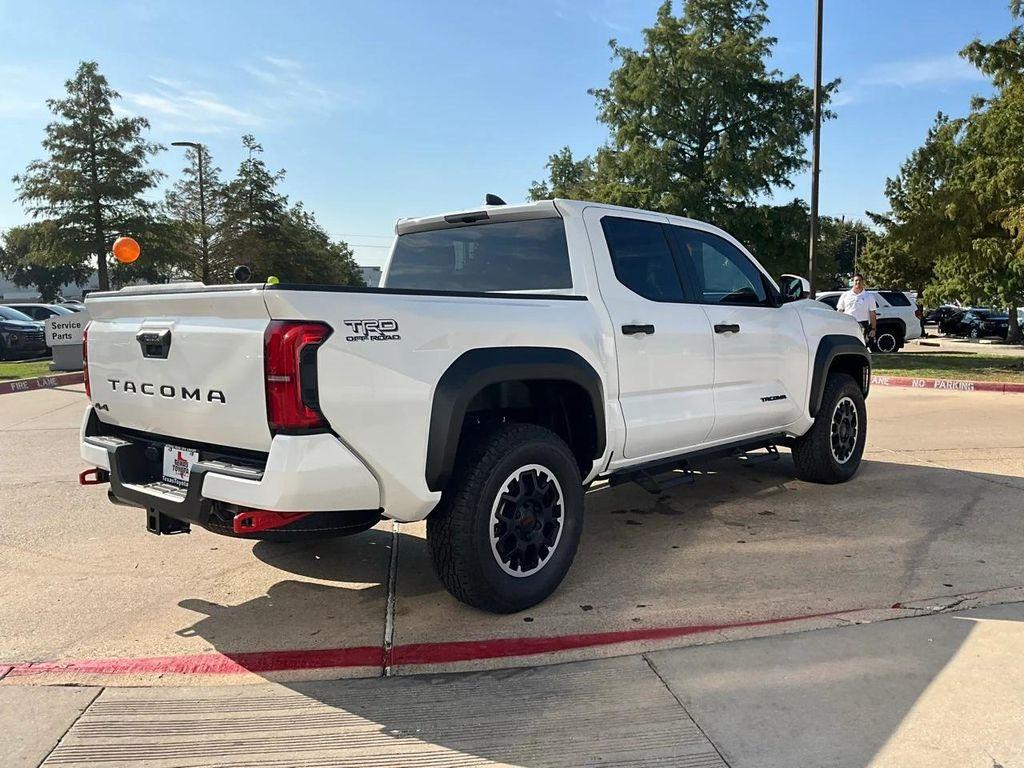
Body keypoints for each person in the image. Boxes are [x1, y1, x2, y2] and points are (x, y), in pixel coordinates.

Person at [836, 274, 877, 343]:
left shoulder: (869, 296)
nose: (858, 282)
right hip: (848, 323)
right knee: (847, 343)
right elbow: (840, 311)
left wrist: (873, 329)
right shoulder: (845, 295)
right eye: (856, 280)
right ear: (853, 282)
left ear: (862, 282)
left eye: (860, 280)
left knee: (861, 344)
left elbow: (872, 314)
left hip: (863, 324)